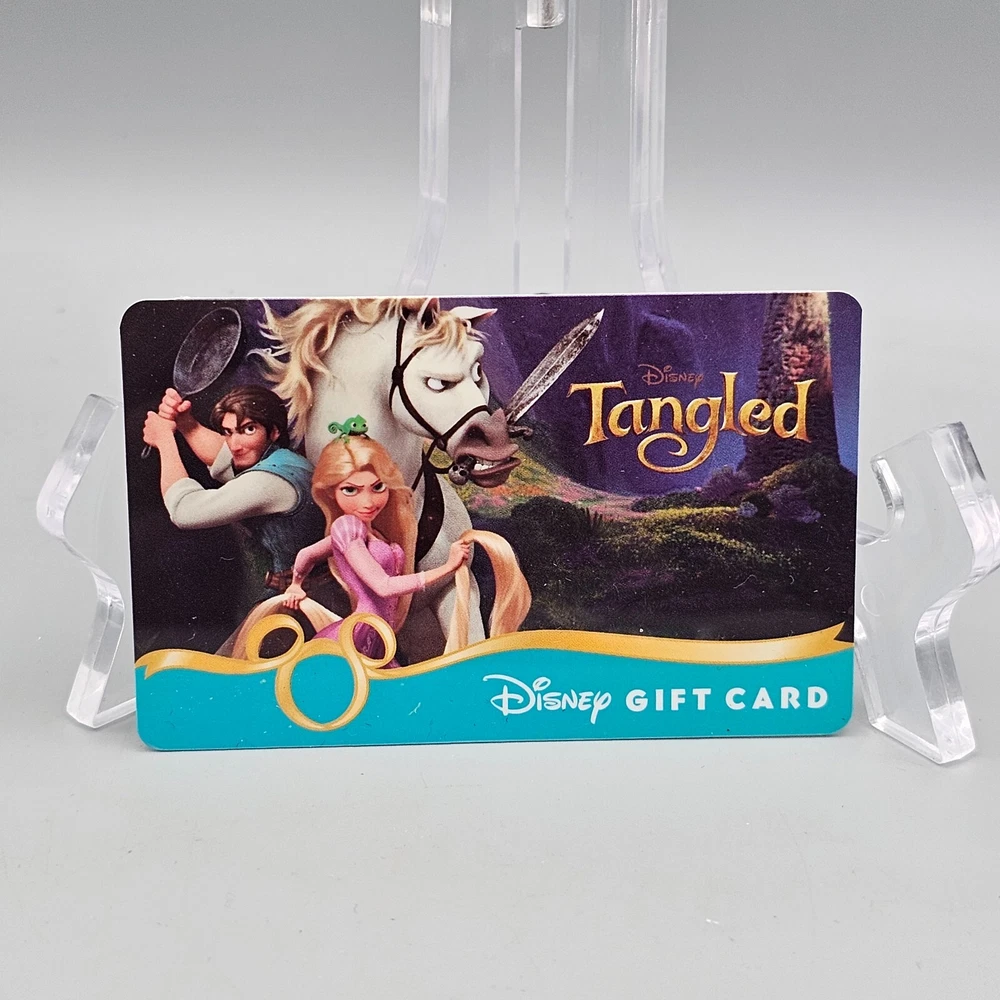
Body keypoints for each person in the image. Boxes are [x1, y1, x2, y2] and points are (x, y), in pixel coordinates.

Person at [282, 434, 531, 666]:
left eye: (377, 487)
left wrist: (296, 583)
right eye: (350, 490)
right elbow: (383, 586)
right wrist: (448, 567)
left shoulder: (365, 531)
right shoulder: (347, 528)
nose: (367, 502)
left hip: (378, 637)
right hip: (358, 637)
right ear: (331, 492)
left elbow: (308, 554)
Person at [141, 384, 332, 610]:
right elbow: (223, 456)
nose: (234, 445)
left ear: (274, 431)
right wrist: (186, 423)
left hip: (301, 602)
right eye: (228, 432)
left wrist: (165, 440)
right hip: (306, 592)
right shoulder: (284, 460)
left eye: (248, 430)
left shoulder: (267, 482)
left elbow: (183, 510)